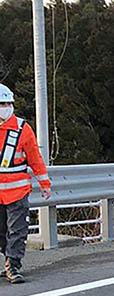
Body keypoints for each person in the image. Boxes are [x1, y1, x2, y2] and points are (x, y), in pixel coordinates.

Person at [0, 83, 52, 283]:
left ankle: (13, 266)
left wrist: (44, 183)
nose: (6, 107)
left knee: (17, 230)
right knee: (2, 232)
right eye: (2, 103)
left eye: (8, 103)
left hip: (18, 191)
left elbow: (35, 158)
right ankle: (7, 262)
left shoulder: (22, 129)